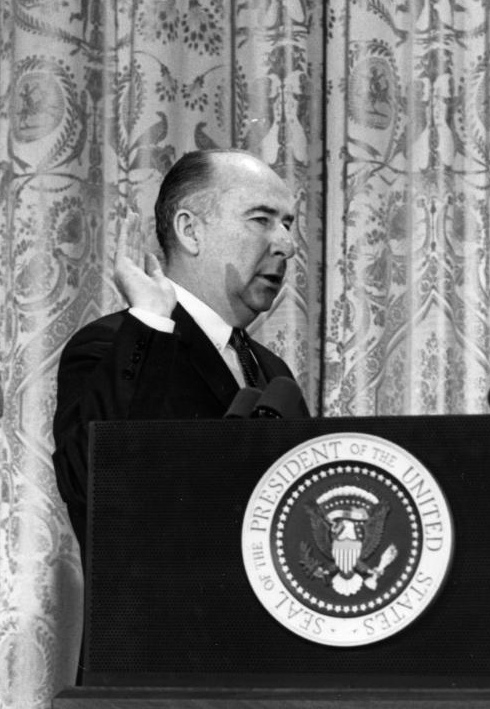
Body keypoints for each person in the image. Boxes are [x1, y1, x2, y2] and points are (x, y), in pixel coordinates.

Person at [52, 149, 308, 563]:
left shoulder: (272, 372)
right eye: (261, 220)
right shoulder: (112, 345)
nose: (287, 245)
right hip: (159, 625)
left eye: (287, 225)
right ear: (190, 231)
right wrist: (151, 321)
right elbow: (91, 484)